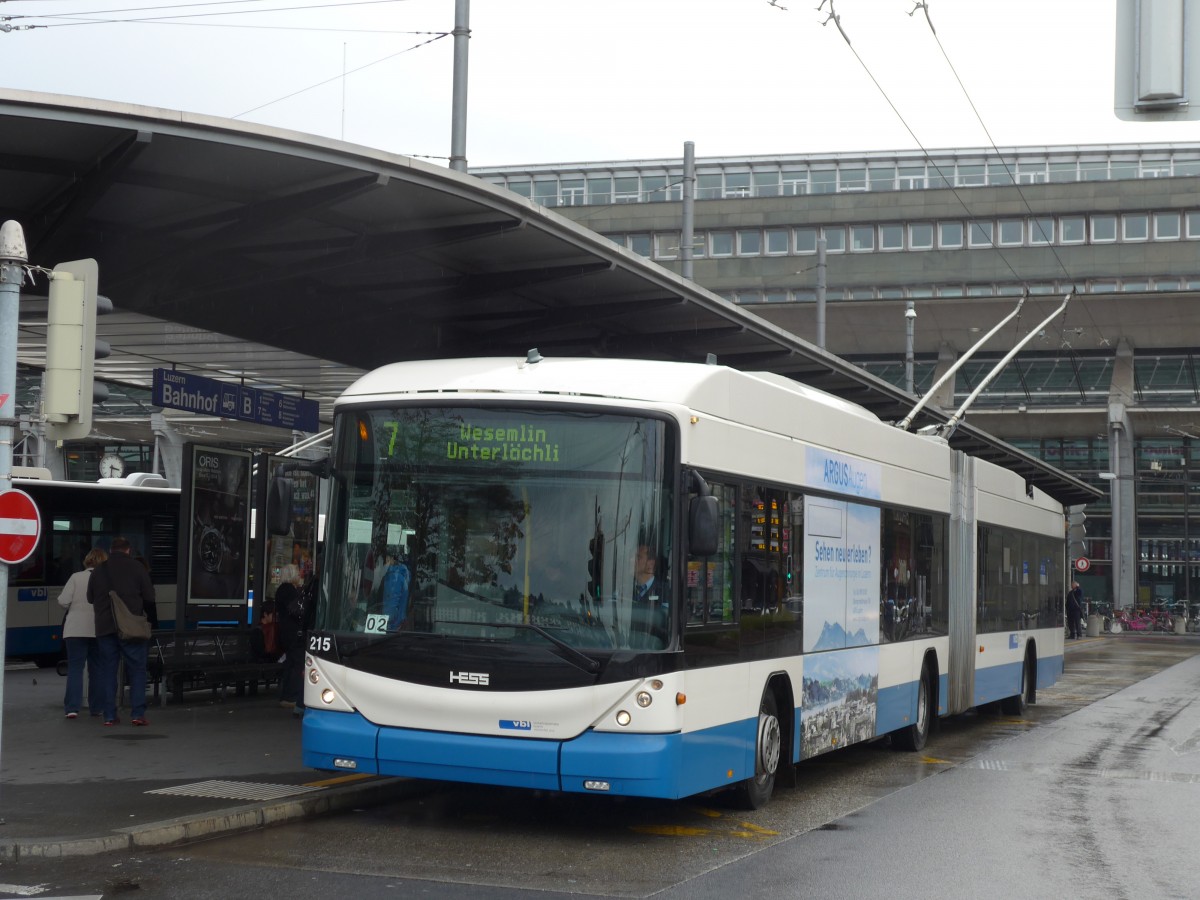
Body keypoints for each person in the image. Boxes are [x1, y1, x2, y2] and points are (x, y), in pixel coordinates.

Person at [87, 536, 158, 726]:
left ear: (110, 551)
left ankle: (109, 715)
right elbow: (150, 597)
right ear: (128, 550)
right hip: (131, 628)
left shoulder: (98, 570)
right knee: (137, 670)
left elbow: (90, 597)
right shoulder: (137, 568)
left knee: (108, 671)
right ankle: (137, 714)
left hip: (104, 628)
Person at [58, 547, 107, 719]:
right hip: (98, 629)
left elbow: (63, 601)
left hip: (75, 629)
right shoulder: (107, 579)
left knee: (75, 669)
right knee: (97, 670)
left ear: (87, 561)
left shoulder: (76, 577)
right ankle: (97, 708)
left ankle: (72, 708)